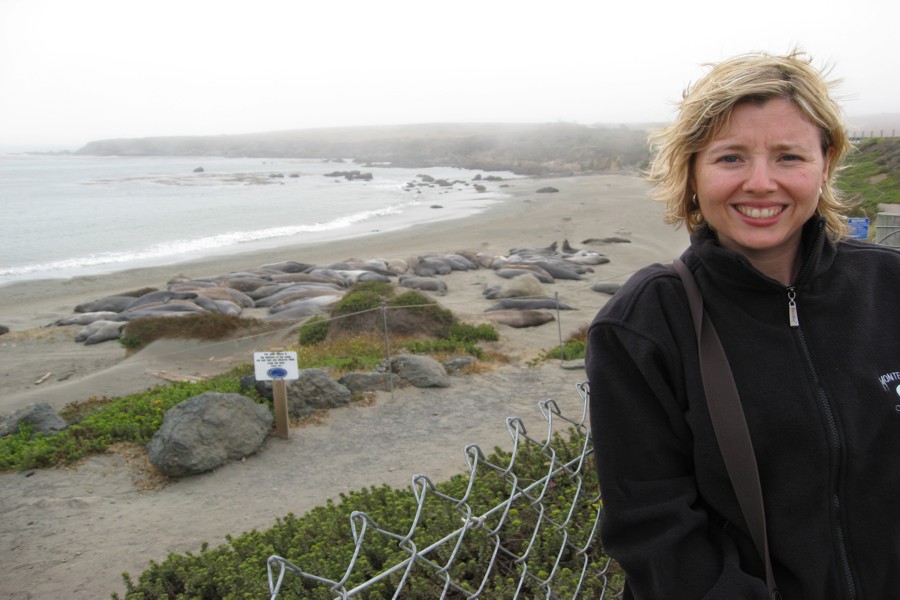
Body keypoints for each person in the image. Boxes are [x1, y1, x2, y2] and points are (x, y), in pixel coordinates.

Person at [586, 50, 900, 599]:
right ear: (690, 170)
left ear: (824, 165)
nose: (761, 183)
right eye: (731, 158)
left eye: (788, 157)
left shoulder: (890, 285)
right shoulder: (644, 325)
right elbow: (656, 532)